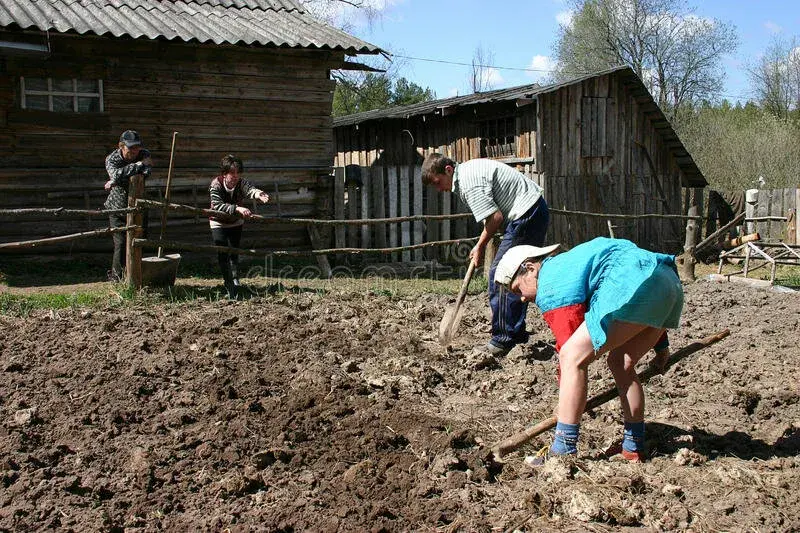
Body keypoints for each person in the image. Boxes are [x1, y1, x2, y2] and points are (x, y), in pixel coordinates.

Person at [494, 237, 684, 462]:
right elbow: (643, 295)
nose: (523, 298)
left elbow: (570, 351)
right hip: (666, 282)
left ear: (530, 267)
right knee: (621, 363)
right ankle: (633, 446)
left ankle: (563, 449)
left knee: (572, 357)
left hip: (636, 282)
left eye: (518, 289)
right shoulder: (571, 265)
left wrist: (565, 404)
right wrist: (661, 349)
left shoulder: (551, 283)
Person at [421, 153, 549, 356]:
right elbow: (492, 217)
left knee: (500, 275)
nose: (440, 189)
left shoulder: (468, 183)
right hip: (533, 210)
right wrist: (480, 244)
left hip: (526, 215)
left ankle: (502, 339)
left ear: (448, 170)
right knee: (515, 276)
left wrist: (480, 246)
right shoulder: (468, 173)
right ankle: (515, 333)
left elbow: (495, 218)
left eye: (438, 183)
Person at [208, 154, 269, 299]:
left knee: (234, 252)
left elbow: (250, 190)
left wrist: (259, 194)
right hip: (218, 222)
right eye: (232, 173)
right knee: (223, 252)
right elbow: (217, 206)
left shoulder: (241, 183)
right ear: (224, 173)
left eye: (238, 173)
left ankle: (235, 279)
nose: (235, 176)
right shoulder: (215, 185)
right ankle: (228, 283)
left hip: (235, 222)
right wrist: (238, 209)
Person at [104, 130, 152, 282]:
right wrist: (137, 166)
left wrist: (118, 178)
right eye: (130, 148)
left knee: (139, 239)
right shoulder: (112, 158)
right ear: (121, 146)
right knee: (121, 243)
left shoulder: (144, 153)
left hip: (138, 204)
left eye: (136, 147)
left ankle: (137, 274)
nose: (134, 151)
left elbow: (146, 171)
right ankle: (117, 277)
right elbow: (115, 174)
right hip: (117, 206)